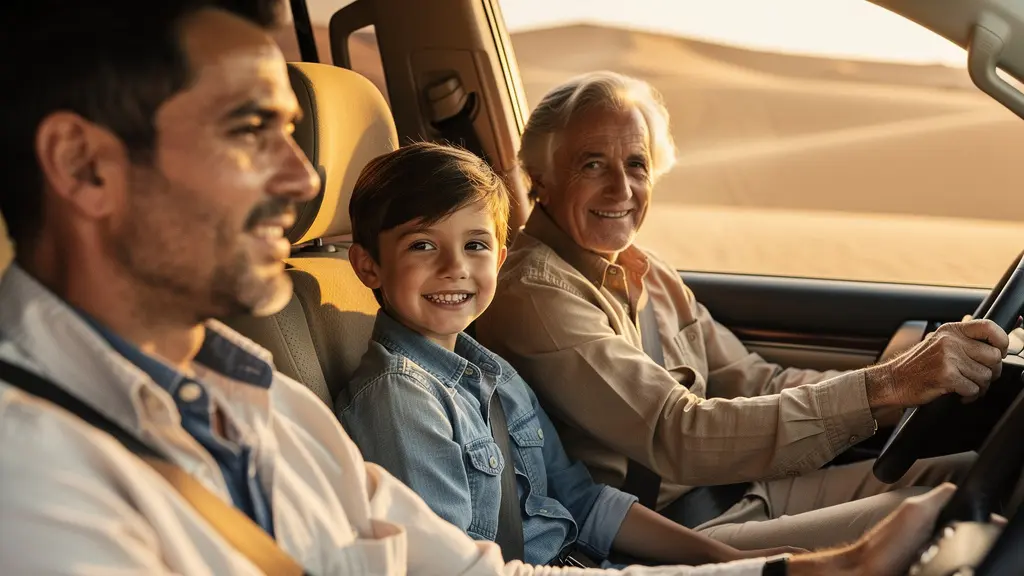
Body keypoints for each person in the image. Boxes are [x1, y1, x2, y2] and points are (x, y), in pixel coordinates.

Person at [0, 2, 986, 574]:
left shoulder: (256, 405)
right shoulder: (32, 475)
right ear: (85, 169)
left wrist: (792, 574)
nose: (303, 183)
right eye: (253, 132)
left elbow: (478, 572)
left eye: (298, 137)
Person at [474, 70, 1012, 551]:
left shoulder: (646, 271)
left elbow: (754, 379)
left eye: (636, 164)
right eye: (592, 164)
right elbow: (677, 434)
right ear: (538, 178)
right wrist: (887, 386)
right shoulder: (535, 295)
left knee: (975, 474)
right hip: (660, 537)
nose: (622, 187)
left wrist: (900, 387)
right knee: (937, 517)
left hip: (734, 492)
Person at [339, 141, 805, 569]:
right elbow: (456, 566)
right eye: (423, 245)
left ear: (499, 258)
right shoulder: (399, 397)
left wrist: (719, 558)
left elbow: (580, 500)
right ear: (368, 266)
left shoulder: (494, 374)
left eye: (475, 245)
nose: (455, 268)